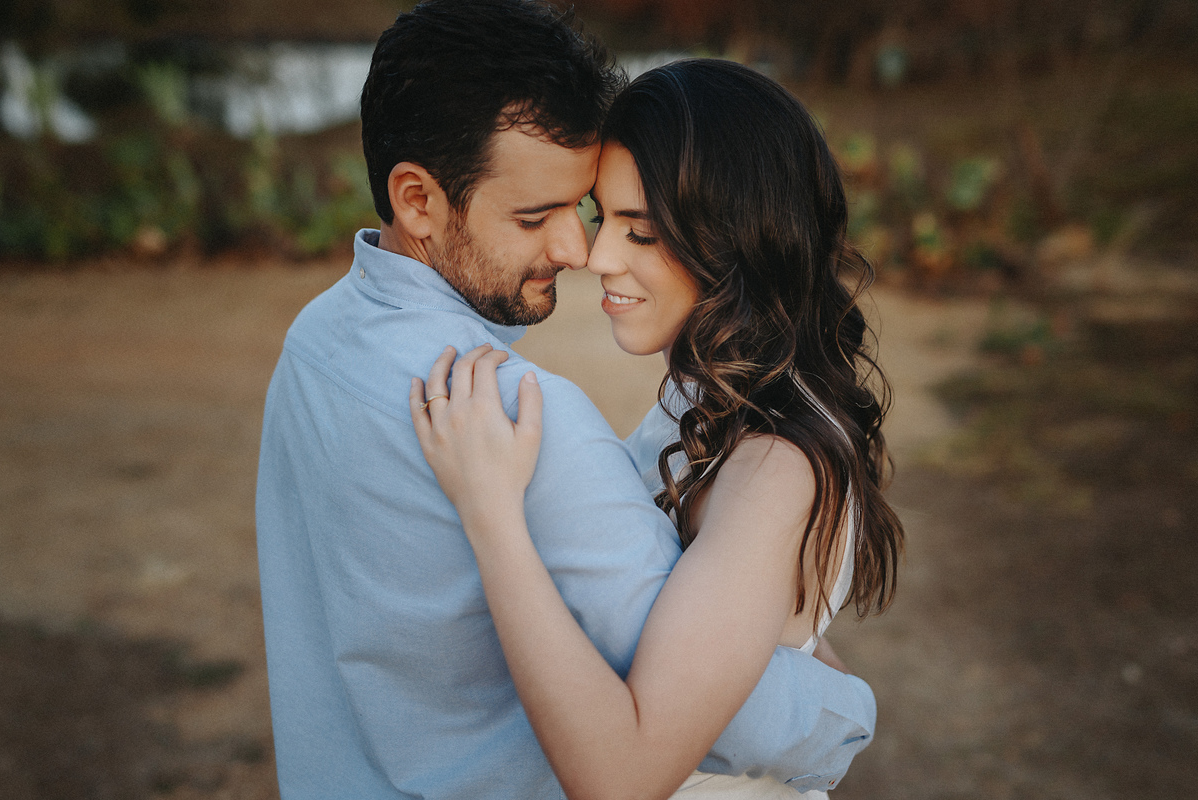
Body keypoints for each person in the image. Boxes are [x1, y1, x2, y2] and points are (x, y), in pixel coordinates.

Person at [256, 2, 876, 798]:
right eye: (535, 216)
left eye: (609, 220)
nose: (581, 251)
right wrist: (846, 712)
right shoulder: (514, 416)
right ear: (418, 200)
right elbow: (719, 715)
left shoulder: (313, 344)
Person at [410, 58, 904, 800]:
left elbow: (622, 776)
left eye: (640, 233)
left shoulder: (773, 464)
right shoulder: (716, 398)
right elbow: (749, 610)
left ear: (736, 242)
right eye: (602, 218)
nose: (596, 256)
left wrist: (492, 517)